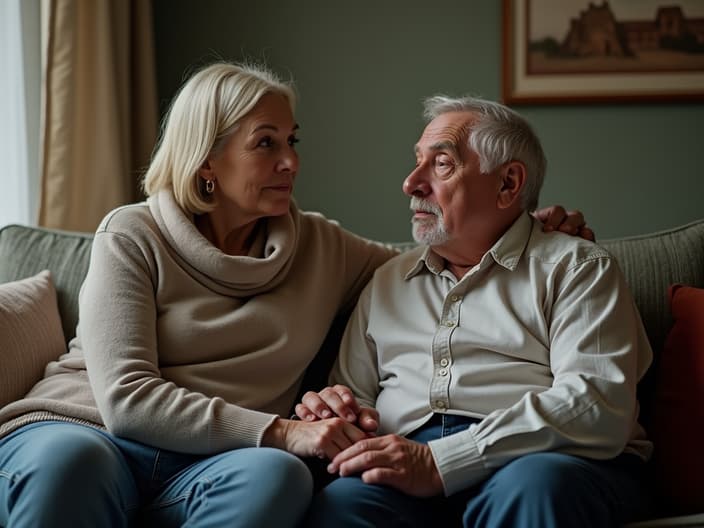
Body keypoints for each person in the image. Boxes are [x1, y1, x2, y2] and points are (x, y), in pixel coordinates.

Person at [0, 63, 590, 528]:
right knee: (71, 466)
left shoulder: (322, 248)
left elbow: (443, 263)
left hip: (212, 465)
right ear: (207, 159)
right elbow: (128, 399)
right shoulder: (132, 234)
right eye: (265, 143)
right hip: (86, 431)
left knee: (280, 479)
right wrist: (285, 432)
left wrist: (526, 229)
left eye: (291, 139)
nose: (291, 161)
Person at [297, 96, 653, 527]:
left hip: (541, 460)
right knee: (341, 506)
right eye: (416, 162)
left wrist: (443, 461)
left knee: (537, 487)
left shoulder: (577, 268)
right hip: (403, 465)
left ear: (508, 184)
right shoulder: (387, 280)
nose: (411, 183)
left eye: (442, 163)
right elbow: (354, 395)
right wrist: (339, 415)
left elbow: (597, 405)